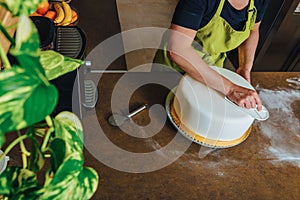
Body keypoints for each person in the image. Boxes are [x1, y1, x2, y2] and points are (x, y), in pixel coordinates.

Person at [153, 0, 270, 111]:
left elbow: (253, 30)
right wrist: (230, 88)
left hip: (213, 68)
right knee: (159, 110)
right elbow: (178, 49)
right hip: (174, 69)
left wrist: (245, 67)